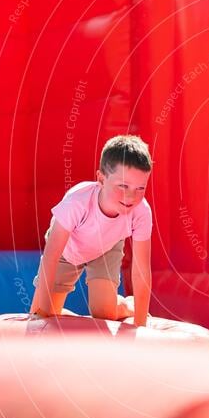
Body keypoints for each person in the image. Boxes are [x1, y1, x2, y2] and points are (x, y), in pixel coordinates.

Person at [30, 135, 153, 325]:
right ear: (101, 179)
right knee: (42, 313)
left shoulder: (141, 212)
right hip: (67, 250)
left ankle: (128, 305)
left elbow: (141, 271)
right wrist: (42, 316)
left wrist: (140, 324)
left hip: (107, 248)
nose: (131, 196)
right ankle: (55, 315)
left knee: (104, 314)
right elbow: (51, 257)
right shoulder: (77, 203)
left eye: (140, 188)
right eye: (122, 185)